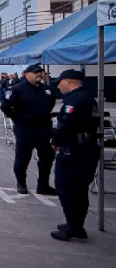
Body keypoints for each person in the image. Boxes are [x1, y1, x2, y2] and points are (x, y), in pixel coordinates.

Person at [49, 70, 98, 241]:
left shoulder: (75, 100)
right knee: (79, 188)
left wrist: (55, 140)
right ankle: (76, 224)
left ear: (68, 81)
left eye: (59, 82)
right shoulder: (88, 98)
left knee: (67, 187)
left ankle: (73, 227)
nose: (58, 85)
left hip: (74, 149)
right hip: (87, 147)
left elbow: (67, 124)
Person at [0, 64, 56, 195]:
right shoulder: (17, 89)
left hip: (44, 129)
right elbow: (5, 107)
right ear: (26, 74)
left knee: (46, 159)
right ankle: (21, 184)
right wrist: (17, 118)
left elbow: (51, 104)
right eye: (36, 72)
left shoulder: (47, 89)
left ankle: (43, 185)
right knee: (23, 158)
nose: (39, 74)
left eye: (41, 72)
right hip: (25, 129)